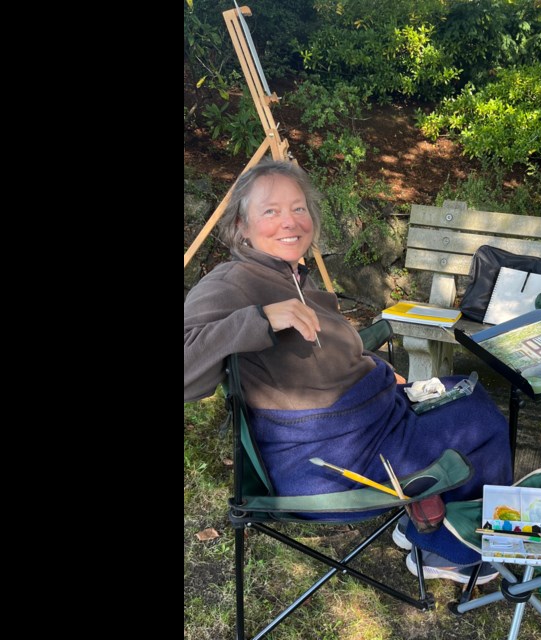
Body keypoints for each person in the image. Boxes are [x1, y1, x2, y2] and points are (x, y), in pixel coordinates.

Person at [184, 160, 513, 583]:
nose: (291, 221)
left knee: (458, 389)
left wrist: (377, 371)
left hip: (366, 424)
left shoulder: (292, 276)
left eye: (299, 208)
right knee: (479, 422)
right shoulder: (232, 282)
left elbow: (326, 358)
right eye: (271, 211)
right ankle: (444, 552)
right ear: (241, 226)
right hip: (324, 462)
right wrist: (260, 319)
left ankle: (424, 523)